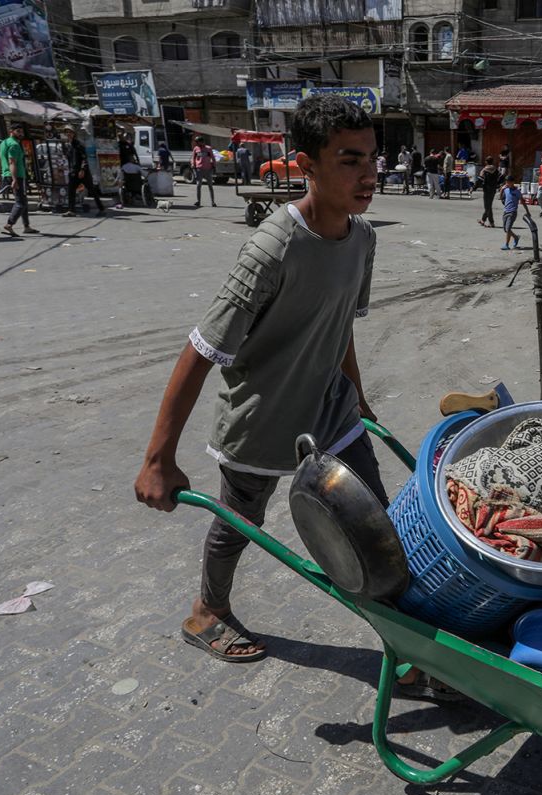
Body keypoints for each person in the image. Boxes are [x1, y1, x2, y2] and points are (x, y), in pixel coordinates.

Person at [132, 94, 403, 673]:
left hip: (332, 409)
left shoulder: (363, 238)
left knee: (374, 521)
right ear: (305, 165)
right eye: (350, 160)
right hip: (264, 415)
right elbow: (201, 349)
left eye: (373, 158)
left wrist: (359, 396)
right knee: (241, 522)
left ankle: (408, 643)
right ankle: (207, 611)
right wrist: (158, 460)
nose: (369, 174)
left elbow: (338, 328)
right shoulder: (273, 248)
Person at [0, 124, 37, 237]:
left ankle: (27, 226)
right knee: (20, 203)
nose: (21, 134)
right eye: (18, 131)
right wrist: (15, 179)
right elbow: (12, 162)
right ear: (11, 131)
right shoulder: (14, 145)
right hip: (17, 176)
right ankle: (9, 224)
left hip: (8, 175)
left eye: (22, 132)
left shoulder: (4, 142)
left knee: (24, 201)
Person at [63, 127, 104, 217]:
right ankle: (71, 210)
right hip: (73, 172)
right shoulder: (68, 145)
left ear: (74, 134)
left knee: (92, 191)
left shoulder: (79, 144)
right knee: (71, 191)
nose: (68, 134)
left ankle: (101, 209)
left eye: (70, 132)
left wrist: (82, 169)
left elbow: (84, 158)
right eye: (67, 132)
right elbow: (68, 159)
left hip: (82, 173)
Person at [499, 174, 528, 250]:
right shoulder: (506, 190)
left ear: (513, 182)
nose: (507, 183)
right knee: (505, 229)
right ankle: (516, 237)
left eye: (509, 182)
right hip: (505, 211)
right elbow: (501, 198)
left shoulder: (517, 192)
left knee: (508, 229)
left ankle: (506, 245)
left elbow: (523, 201)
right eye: (506, 182)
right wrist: (501, 190)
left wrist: (527, 211)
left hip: (512, 212)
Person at [192, 136, 216, 208]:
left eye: (198, 142)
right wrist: (193, 165)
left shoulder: (208, 149)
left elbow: (213, 158)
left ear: (202, 142)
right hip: (199, 169)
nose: (197, 144)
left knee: (210, 186)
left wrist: (213, 166)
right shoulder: (196, 149)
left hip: (208, 169)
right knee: (198, 185)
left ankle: (213, 202)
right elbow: (193, 158)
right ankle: (198, 201)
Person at [478, 156, 499, 227]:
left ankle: (490, 222)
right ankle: (484, 221)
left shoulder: (485, 170)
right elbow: (501, 177)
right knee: (488, 206)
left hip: (487, 190)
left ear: (486, 162)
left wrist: (473, 188)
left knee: (487, 206)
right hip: (493, 190)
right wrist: (497, 184)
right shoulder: (496, 170)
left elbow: (480, 179)